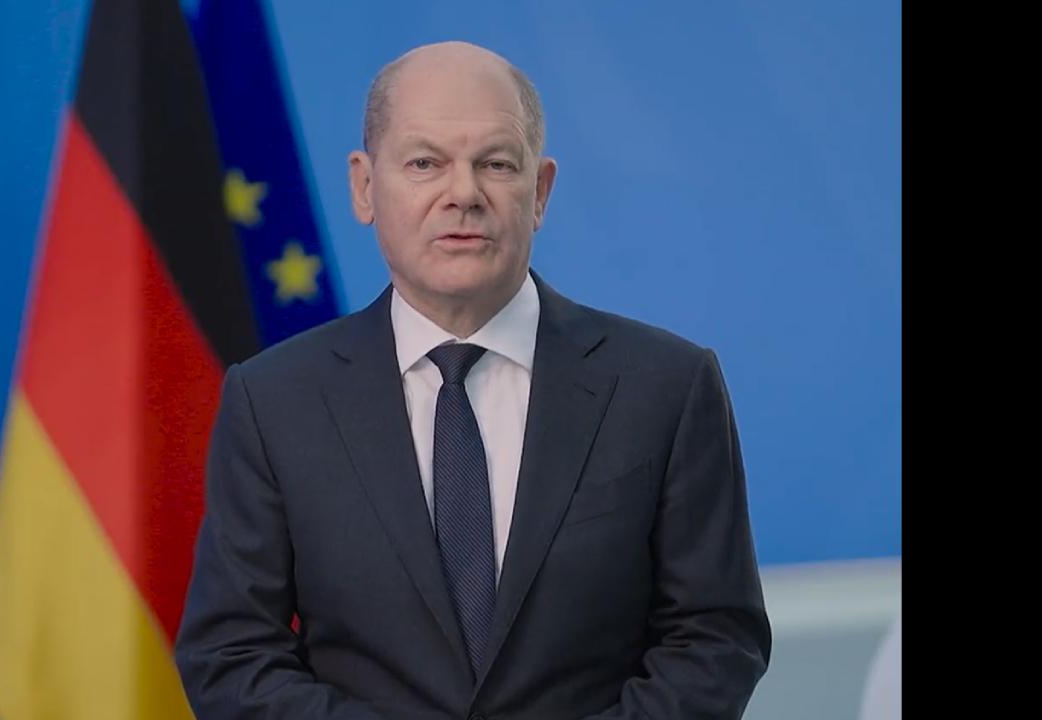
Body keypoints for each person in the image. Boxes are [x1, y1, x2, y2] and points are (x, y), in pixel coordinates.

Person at [175, 40, 771, 720]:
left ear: (539, 191)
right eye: (425, 163)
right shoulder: (274, 401)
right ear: (364, 187)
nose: (463, 194)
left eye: (495, 164)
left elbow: (716, 640)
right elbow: (231, 656)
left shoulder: (666, 387)